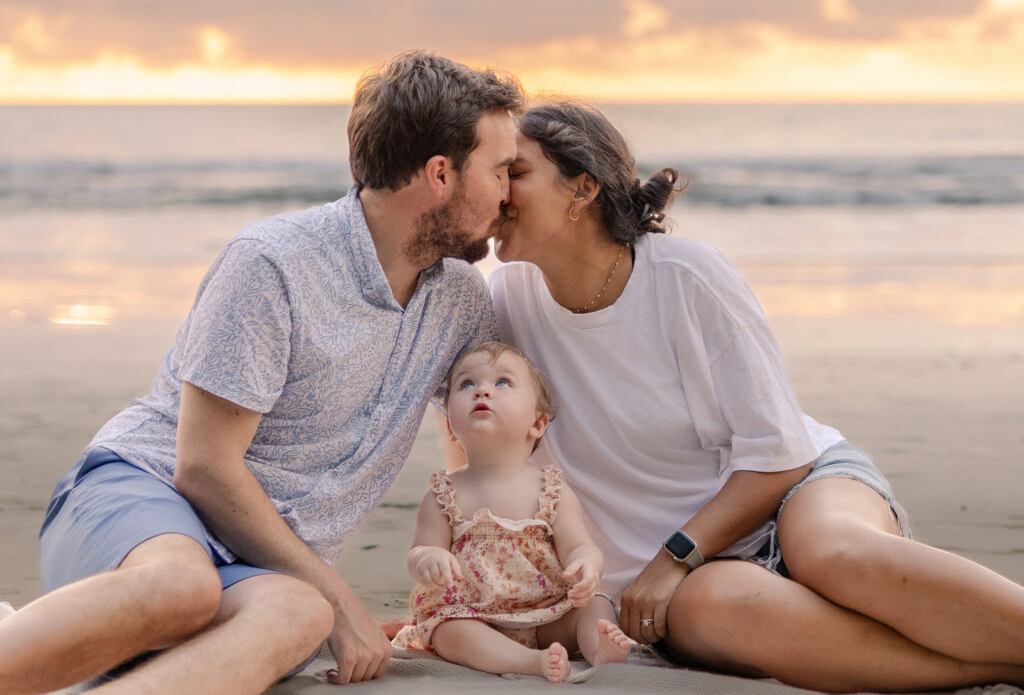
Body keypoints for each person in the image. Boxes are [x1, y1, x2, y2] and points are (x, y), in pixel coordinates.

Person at [0, 51, 523, 695]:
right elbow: (204, 468)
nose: (509, 192)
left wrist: (465, 597)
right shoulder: (273, 264)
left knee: (299, 613)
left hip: (262, 569)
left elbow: (477, 448)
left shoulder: (462, 299)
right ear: (441, 174)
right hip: (143, 502)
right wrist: (339, 596)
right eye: (500, 170)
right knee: (186, 587)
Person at [476, 99, 1024, 692]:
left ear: (581, 189)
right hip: (691, 579)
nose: (499, 191)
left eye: (517, 172)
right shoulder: (504, 302)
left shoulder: (687, 276)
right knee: (712, 609)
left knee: (831, 552)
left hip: (795, 486)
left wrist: (674, 555)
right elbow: (481, 453)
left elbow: (781, 451)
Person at [394, 342, 631, 683]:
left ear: (537, 423)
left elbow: (579, 544)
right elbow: (418, 550)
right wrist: (428, 558)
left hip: (547, 613)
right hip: (475, 616)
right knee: (448, 631)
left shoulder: (551, 490)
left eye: (502, 382)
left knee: (595, 604)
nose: (483, 391)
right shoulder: (444, 494)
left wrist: (587, 566)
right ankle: (529, 662)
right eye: (467, 384)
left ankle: (600, 651)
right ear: (449, 427)